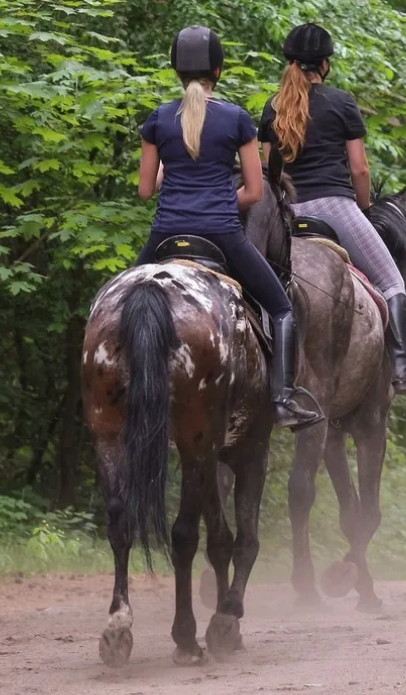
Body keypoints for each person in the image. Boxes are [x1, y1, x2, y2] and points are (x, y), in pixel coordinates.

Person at [136, 25, 321, 429]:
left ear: (176, 71)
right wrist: (218, 202)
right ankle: (284, 399)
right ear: (218, 71)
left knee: (121, 301)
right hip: (221, 233)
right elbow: (255, 193)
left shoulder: (157, 120)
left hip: (165, 232)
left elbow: (146, 190)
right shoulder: (237, 119)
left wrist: (173, 168)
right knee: (282, 308)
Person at [258, 22, 406, 396]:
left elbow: (269, 172)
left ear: (290, 61)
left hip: (288, 213)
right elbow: (360, 168)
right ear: (324, 64)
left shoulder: (273, 107)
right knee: (391, 281)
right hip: (334, 206)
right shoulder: (341, 102)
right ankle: (404, 368)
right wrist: (364, 206)